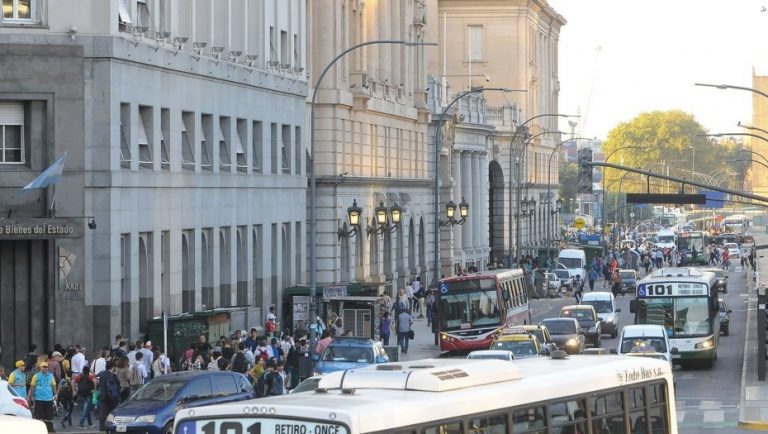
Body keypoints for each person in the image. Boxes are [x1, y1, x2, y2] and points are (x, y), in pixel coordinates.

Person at [28, 361, 57, 431]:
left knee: (49, 416)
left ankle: (49, 430)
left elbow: (53, 385)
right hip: (39, 399)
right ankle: (39, 429)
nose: (45, 368)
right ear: (40, 368)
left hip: (48, 399)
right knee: (39, 416)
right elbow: (32, 387)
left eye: (46, 367)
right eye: (43, 367)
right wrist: (31, 396)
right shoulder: (36, 376)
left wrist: (55, 394)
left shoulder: (51, 376)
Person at [96, 361, 120, 431]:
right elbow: (118, 384)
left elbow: (96, 379)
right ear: (112, 367)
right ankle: (113, 425)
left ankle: (102, 427)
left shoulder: (101, 373)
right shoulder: (113, 375)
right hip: (113, 397)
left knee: (103, 412)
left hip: (103, 396)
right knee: (113, 412)